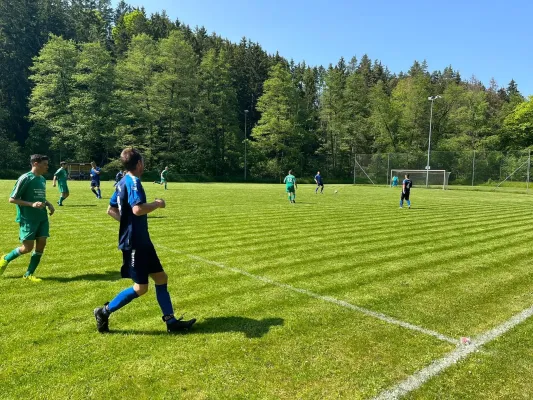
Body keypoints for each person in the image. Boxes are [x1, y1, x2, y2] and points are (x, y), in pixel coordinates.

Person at [93, 148, 196, 333]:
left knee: (161, 278)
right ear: (139, 163)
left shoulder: (121, 181)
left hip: (142, 241)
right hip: (135, 244)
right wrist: (158, 204)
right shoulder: (133, 182)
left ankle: (171, 322)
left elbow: (111, 210)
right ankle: (103, 311)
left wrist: (127, 225)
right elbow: (138, 209)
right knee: (141, 288)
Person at [0, 154, 55, 281]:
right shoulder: (25, 178)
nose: (47, 166)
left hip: (42, 217)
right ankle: (5, 259)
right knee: (27, 248)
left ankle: (29, 274)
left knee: (41, 244)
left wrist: (48, 203)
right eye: (45, 164)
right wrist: (31, 204)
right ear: (36, 163)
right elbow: (12, 199)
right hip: (28, 218)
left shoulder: (42, 179)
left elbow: (39, 197)